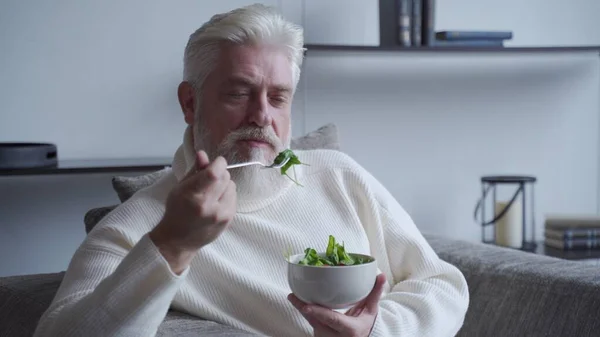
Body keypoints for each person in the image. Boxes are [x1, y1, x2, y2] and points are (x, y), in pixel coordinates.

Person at [34, 4, 469, 337]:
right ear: (190, 103)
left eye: (278, 97)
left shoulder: (338, 174)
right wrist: (171, 245)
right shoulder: (144, 222)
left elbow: (443, 283)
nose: (261, 115)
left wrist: (377, 328)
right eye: (239, 93)